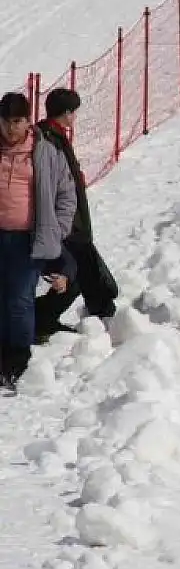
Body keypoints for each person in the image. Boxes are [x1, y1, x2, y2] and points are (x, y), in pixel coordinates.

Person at [0, 92, 76, 389]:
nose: (10, 128)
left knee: (19, 300)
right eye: (5, 122)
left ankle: (17, 358)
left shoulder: (44, 152)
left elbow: (66, 195)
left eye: (17, 121)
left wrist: (56, 230)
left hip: (26, 239)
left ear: (28, 121)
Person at [34, 88, 118, 341]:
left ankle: (100, 312)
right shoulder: (48, 140)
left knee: (85, 270)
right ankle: (41, 319)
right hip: (65, 222)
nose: (75, 117)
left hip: (72, 220)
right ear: (67, 112)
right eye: (74, 112)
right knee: (76, 272)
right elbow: (51, 186)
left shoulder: (55, 137)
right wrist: (59, 224)